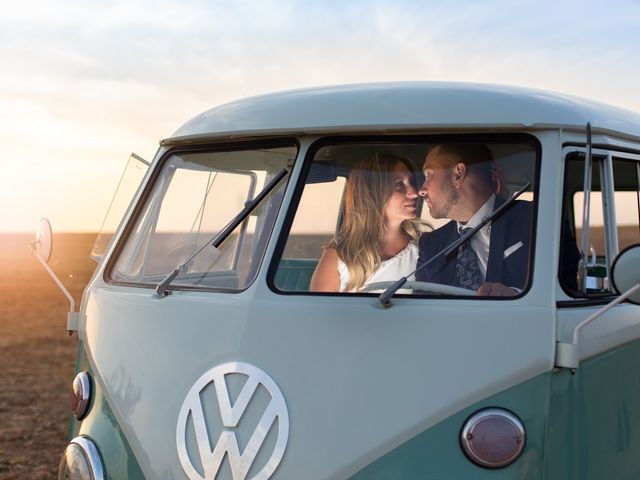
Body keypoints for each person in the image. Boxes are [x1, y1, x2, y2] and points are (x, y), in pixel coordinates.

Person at [416, 143, 533, 296]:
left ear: (458, 174)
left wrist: (515, 296)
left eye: (428, 176)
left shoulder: (534, 219)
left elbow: (565, 281)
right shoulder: (430, 246)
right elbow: (422, 305)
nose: (421, 190)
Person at [310, 152, 423, 292]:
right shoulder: (340, 255)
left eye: (411, 182)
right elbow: (319, 311)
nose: (414, 192)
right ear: (374, 192)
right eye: (399, 185)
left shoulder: (425, 247)